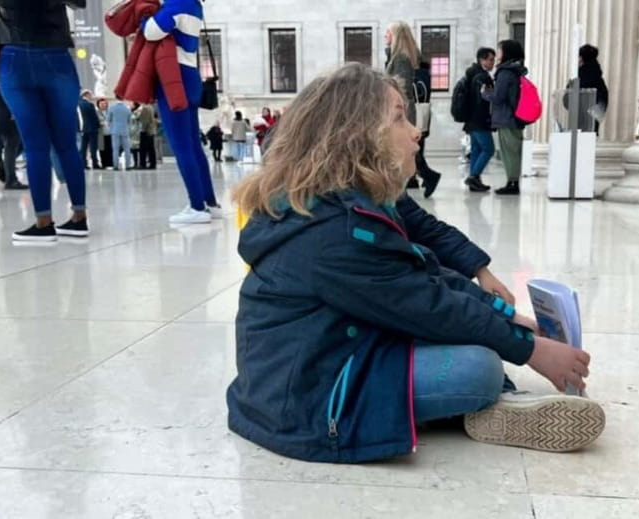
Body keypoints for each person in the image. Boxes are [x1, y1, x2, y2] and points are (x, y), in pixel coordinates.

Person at [226, 63, 604, 464]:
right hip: (307, 401)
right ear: (357, 136)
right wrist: (529, 350)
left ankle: (489, 404)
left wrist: (503, 316)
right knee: (479, 367)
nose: (415, 131)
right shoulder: (332, 232)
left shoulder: (345, 203)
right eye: (399, 117)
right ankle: (490, 399)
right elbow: (427, 303)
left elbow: (423, 271)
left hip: (331, 347)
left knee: (474, 332)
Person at [0, 0, 90, 241]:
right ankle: (79, 218)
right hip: (56, 56)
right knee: (67, 145)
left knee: (36, 146)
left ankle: (43, 222)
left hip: (15, 58)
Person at [142, 0, 221, 224]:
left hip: (173, 77)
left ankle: (197, 207)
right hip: (189, 75)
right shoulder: (194, 5)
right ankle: (210, 202)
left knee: (182, 146)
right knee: (194, 146)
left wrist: (144, 17)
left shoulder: (178, 3)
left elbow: (151, 31)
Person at [384, 21, 441, 198]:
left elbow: (401, 86)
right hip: (404, 109)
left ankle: (428, 176)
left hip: (403, 111)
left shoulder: (401, 58)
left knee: (403, 147)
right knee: (408, 147)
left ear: (396, 35)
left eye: (388, 32)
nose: (385, 36)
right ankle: (421, 177)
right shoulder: (403, 56)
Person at [482, 39, 528, 195]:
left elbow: (499, 97)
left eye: (500, 50)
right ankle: (513, 182)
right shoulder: (515, 70)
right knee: (513, 151)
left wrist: (485, 93)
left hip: (507, 118)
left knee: (509, 152)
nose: (498, 54)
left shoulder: (505, 72)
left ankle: (512, 183)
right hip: (514, 118)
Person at [463, 47, 496, 193]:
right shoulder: (482, 77)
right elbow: (483, 101)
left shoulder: (472, 74)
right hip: (479, 120)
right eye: (490, 59)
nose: (493, 62)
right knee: (489, 149)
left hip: (470, 119)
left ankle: (473, 179)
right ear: (482, 59)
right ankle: (474, 176)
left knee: (476, 149)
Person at [0, 85, 28, 190]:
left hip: (0, 115)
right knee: (12, 145)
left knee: (11, 145)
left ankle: (5, 169)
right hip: (9, 115)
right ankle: (10, 179)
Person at [573, 44, 609, 136]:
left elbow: (573, 89)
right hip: (595, 111)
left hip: (584, 112)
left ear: (581, 58)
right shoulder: (596, 73)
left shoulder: (583, 73)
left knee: (582, 138)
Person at [78, 89, 100, 169]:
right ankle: (95, 164)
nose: (91, 96)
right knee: (93, 147)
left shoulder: (79, 104)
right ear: (86, 95)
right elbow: (94, 117)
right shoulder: (90, 105)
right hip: (92, 129)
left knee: (83, 147)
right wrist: (98, 125)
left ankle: (84, 164)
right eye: (90, 95)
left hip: (83, 128)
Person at [107, 99, 132, 171]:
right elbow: (129, 121)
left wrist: (111, 127)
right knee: (127, 149)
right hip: (125, 131)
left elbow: (108, 119)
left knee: (115, 149)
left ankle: (115, 166)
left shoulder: (112, 108)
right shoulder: (127, 109)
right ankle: (128, 166)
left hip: (115, 131)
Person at [138, 102, 157, 169]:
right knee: (151, 149)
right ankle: (153, 164)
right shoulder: (151, 107)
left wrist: (142, 129)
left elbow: (145, 121)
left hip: (146, 131)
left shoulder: (145, 108)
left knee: (143, 149)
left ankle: (143, 164)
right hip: (151, 131)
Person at [96, 98, 113, 169]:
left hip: (110, 133)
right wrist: (100, 123)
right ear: (98, 105)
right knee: (102, 149)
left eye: (104, 104)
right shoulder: (96, 112)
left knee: (110, 149)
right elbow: (96, 121)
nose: (103, 105)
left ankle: (110, 164)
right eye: (101, 104)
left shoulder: (110, 112)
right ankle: (104, 164)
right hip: (101, 133)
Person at [128, 102, 142, 169]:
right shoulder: (132, 112)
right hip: (133, 133)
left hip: (136, 133)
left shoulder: (137, 113)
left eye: (131, 105)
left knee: (137, 149)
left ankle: (138, 163)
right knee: (134, 150)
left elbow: (135, 120)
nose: (130, 106)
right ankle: (136, 163)